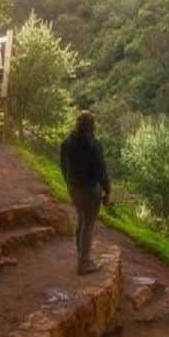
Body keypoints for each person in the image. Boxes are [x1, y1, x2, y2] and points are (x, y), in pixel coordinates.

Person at [59, 111, 111, 274]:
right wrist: (107, 190)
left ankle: (81, 254)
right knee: (88, 225)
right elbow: (101, 170)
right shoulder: (94, 145)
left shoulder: (66, 143)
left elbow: (63, 166)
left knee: (81, 220)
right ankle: (84, 263)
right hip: (90, 189)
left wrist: (69, 183)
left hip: (74, 188)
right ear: (91, 126)